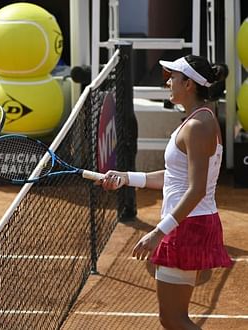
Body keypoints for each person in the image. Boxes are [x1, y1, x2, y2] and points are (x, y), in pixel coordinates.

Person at [101, 55, 232, 329]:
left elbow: (195, 190)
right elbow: (175, 178)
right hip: (192, 223)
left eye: (173, 77)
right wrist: (127, 178)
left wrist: (158, 232)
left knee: (173, 319)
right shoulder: (199, 119)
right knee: (173, 316)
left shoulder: (197, 126)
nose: (168, 82)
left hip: (187, 226)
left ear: (189, 84)